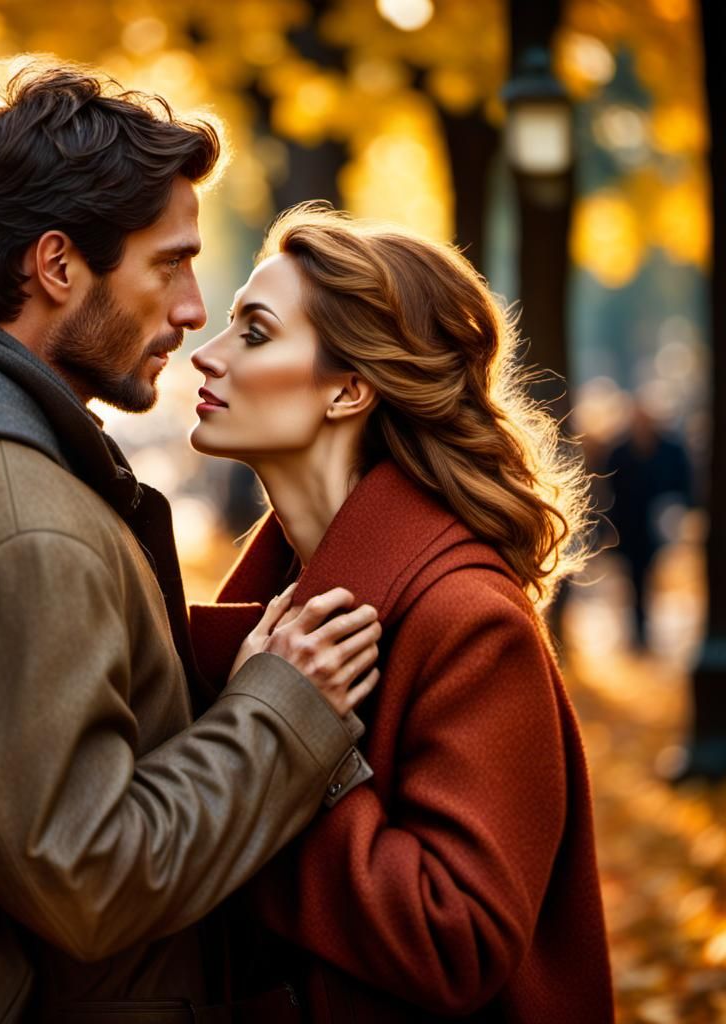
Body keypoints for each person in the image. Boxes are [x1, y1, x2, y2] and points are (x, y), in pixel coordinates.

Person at [0, 63, 383, 1023]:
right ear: (57, 266)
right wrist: (281, 714)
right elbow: (91, 878)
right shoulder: (17, 522)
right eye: (169, 263)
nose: (191, 308)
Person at [188, 204, 614, 1023]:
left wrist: (290, 747)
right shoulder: (278, 601)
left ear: (349, 388)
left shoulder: (468, 619)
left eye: (253, 332)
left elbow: (461, 938)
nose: (206, 355)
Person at [603, 395, 694, 650]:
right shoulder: (619, 451)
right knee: (634, 578)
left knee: (651, 577)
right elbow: (609, 491)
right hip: (630, 527)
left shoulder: (670, 449)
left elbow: (683, 483)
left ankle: (645, 628)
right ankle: (639, 631)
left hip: (657, 526)